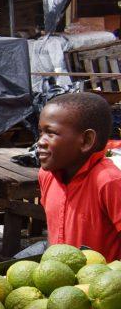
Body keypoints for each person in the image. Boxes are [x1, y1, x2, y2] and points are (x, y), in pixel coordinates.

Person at [37, 92, 121, 261]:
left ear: (86, 141)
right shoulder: (46, 175)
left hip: (101, 284)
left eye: (51, 133)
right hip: (58, 280)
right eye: (40, 133)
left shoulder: (109, 182)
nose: (40, 142)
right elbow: (52, 233)